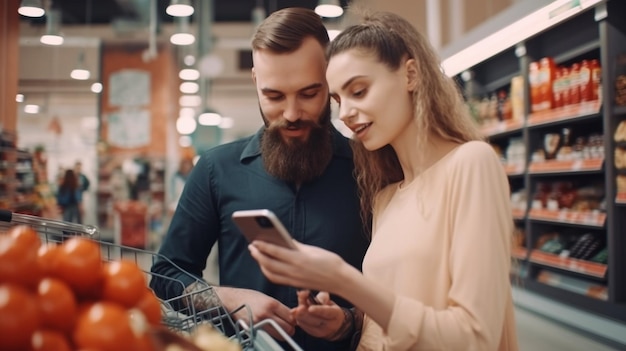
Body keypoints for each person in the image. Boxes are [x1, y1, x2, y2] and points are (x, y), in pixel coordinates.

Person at [248, 10, 519, 351]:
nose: (344, 112)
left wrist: (342, 278)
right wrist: (348, 322)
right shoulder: (386, 197)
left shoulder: (470, 164)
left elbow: (475, 337)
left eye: (358, 91)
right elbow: (390, 321)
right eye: (338, 99)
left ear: (410, 74)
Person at [150, 7, 369, 351]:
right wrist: (226, 298)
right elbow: (166, 275)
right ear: (255, 81)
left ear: (330, 80)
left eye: (309, 93)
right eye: (274, 96)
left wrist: (349, 321)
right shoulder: (216, 170)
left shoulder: (370, 170)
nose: (292, 114)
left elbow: (402, 292)